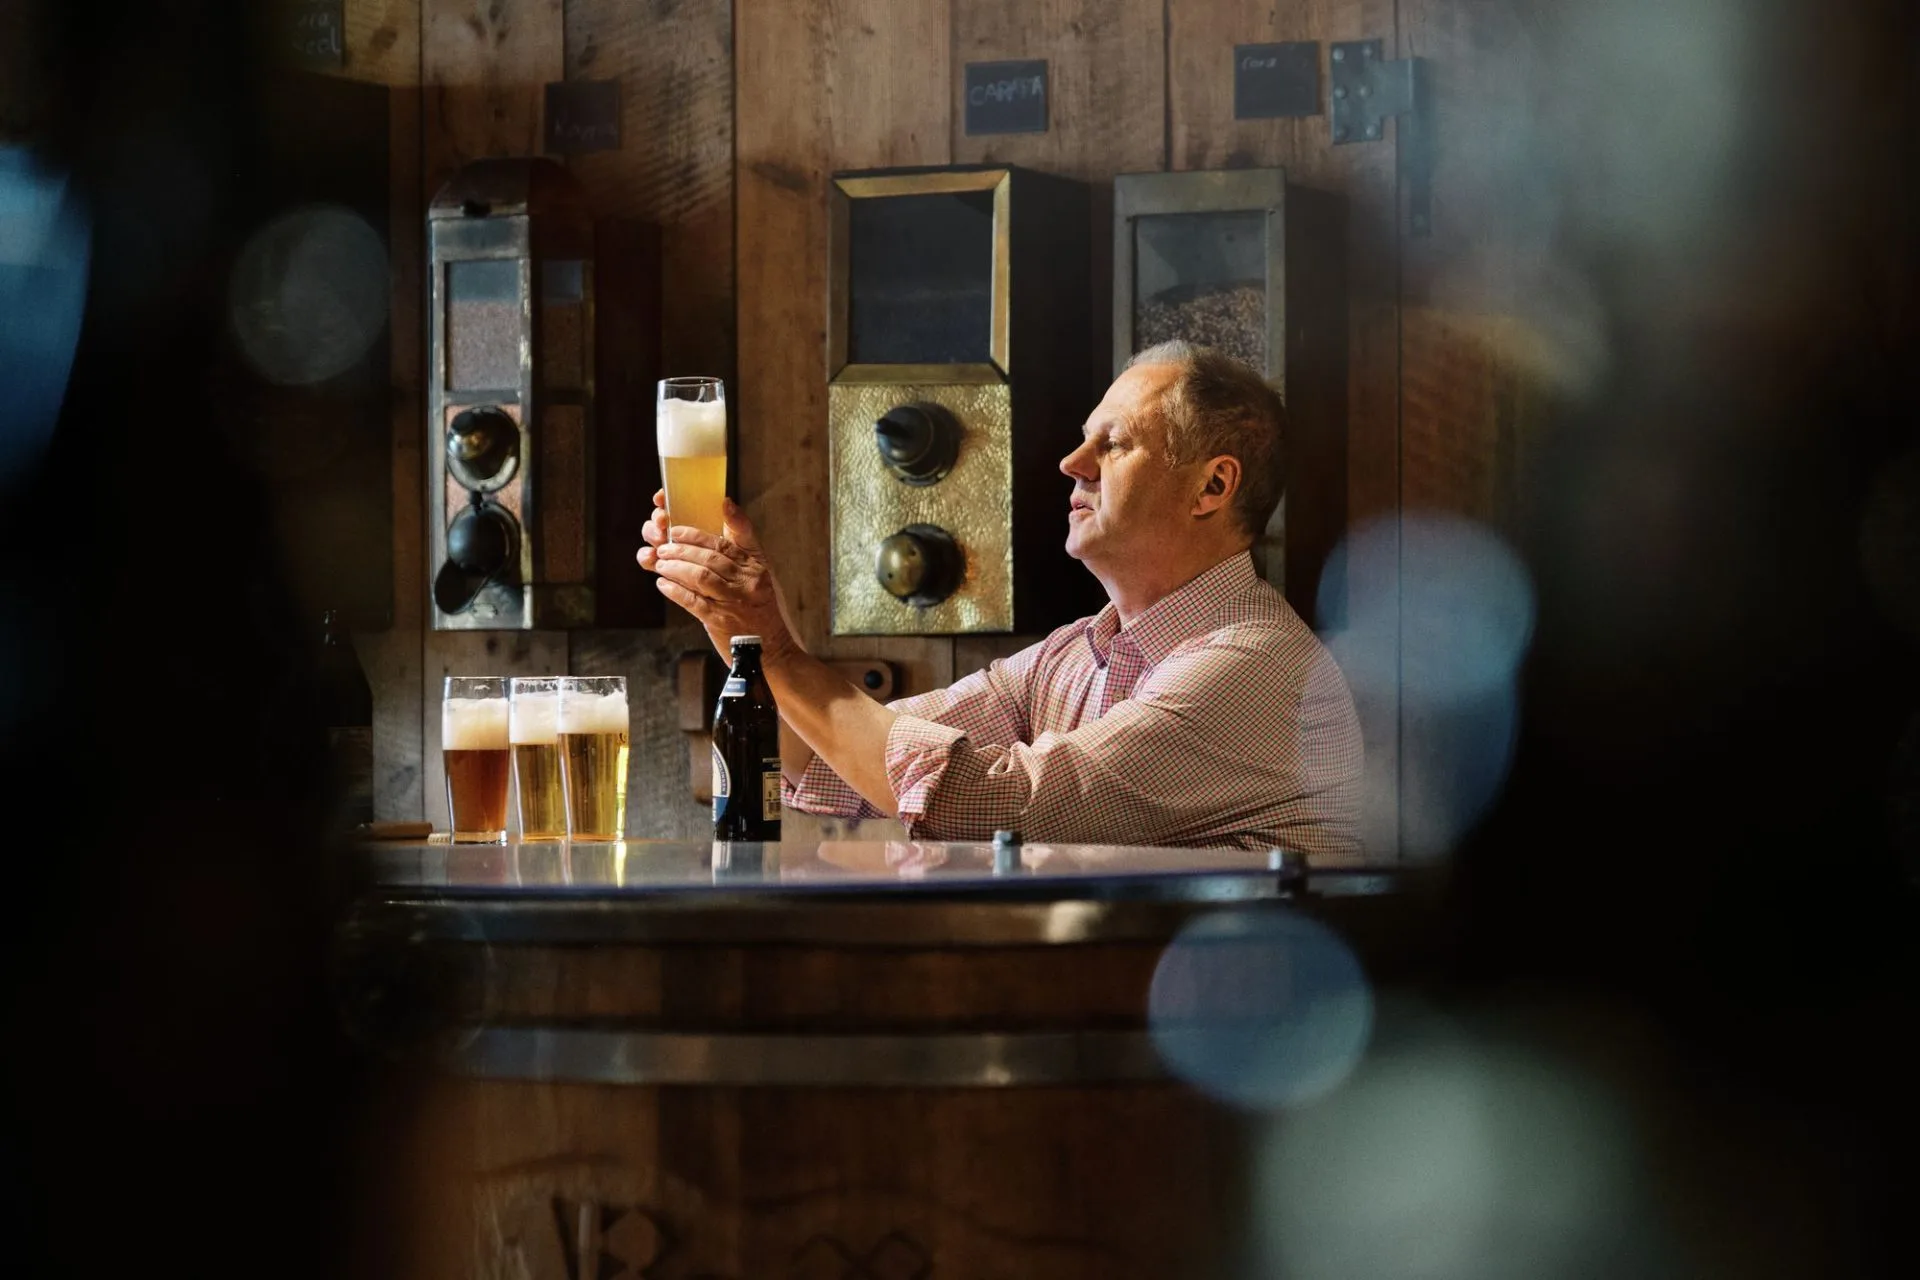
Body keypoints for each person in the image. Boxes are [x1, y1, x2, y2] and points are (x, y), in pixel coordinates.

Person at [641, 342, 1364, 856]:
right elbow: (833, 763)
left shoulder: (1258, 664)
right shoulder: (1074, 655)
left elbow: (998, 804)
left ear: (1213, 487)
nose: (1070, 463)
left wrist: (775, 647)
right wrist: (734, 622)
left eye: (1112, 444)